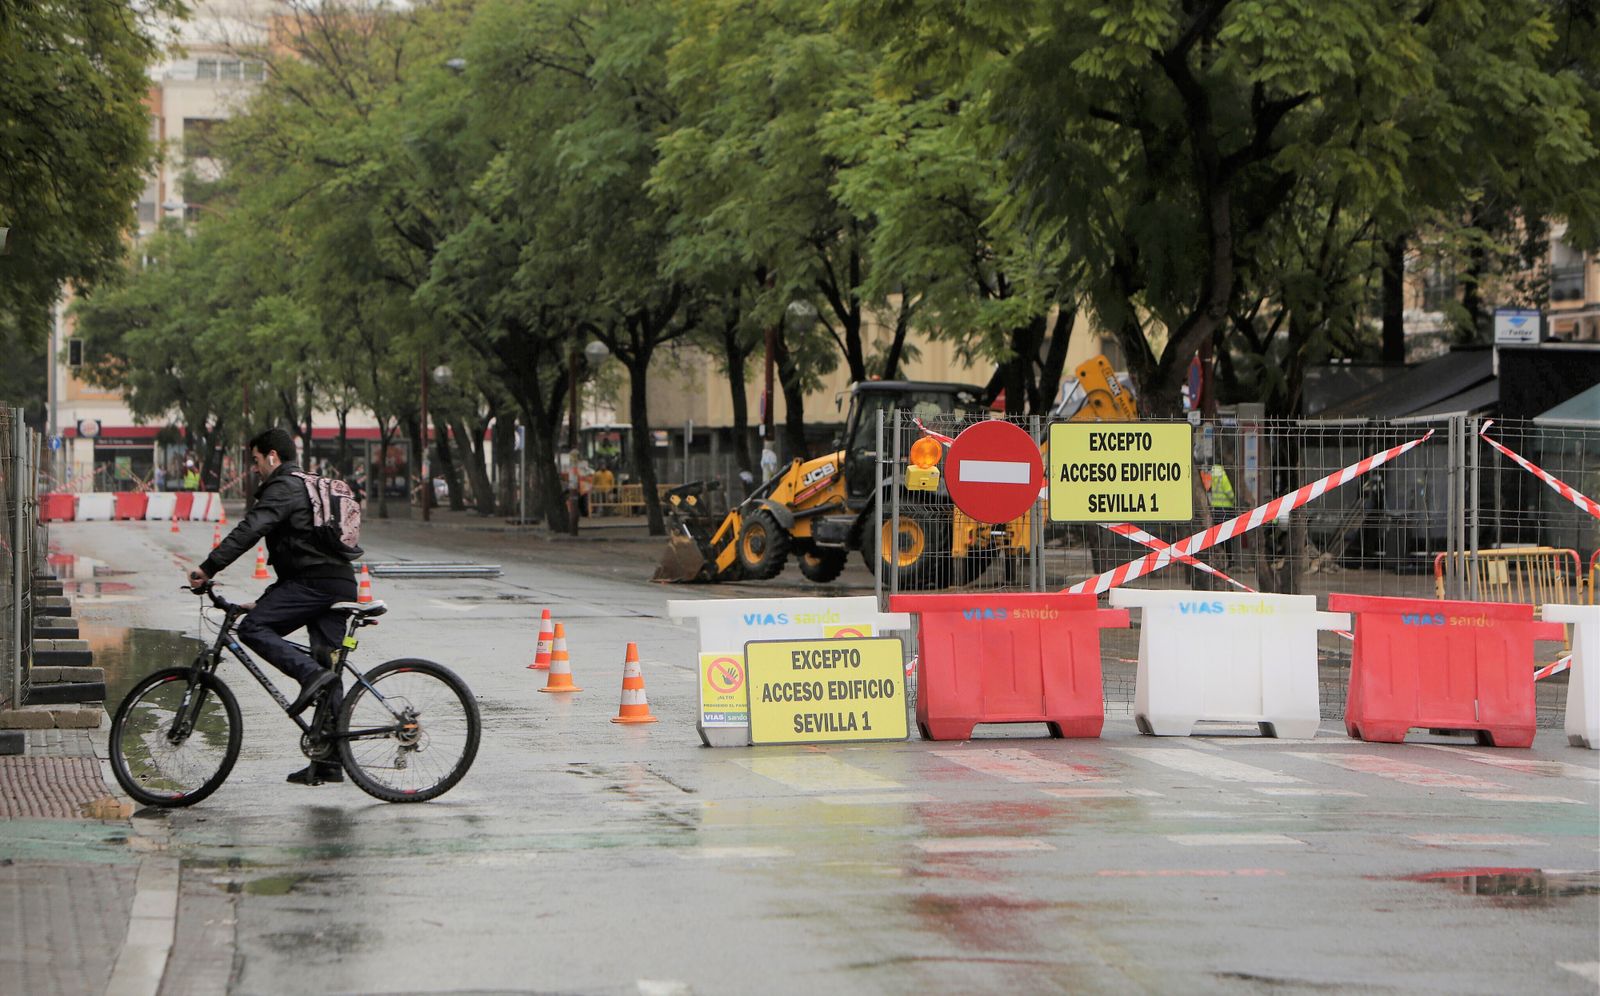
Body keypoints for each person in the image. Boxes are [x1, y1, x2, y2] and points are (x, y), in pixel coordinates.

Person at [187, 428, 360, 786]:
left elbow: (250, 530)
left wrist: (208, 568)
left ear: (272, 457)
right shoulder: (310, 485)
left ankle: (310, 677)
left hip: (314, 584)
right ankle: (329, 759)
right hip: (337, 581)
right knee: (328, 663)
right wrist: (264, 601)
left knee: (254, 630)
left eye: (255, 460)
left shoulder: (284, 488)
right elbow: (301, 554)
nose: (254, 469)